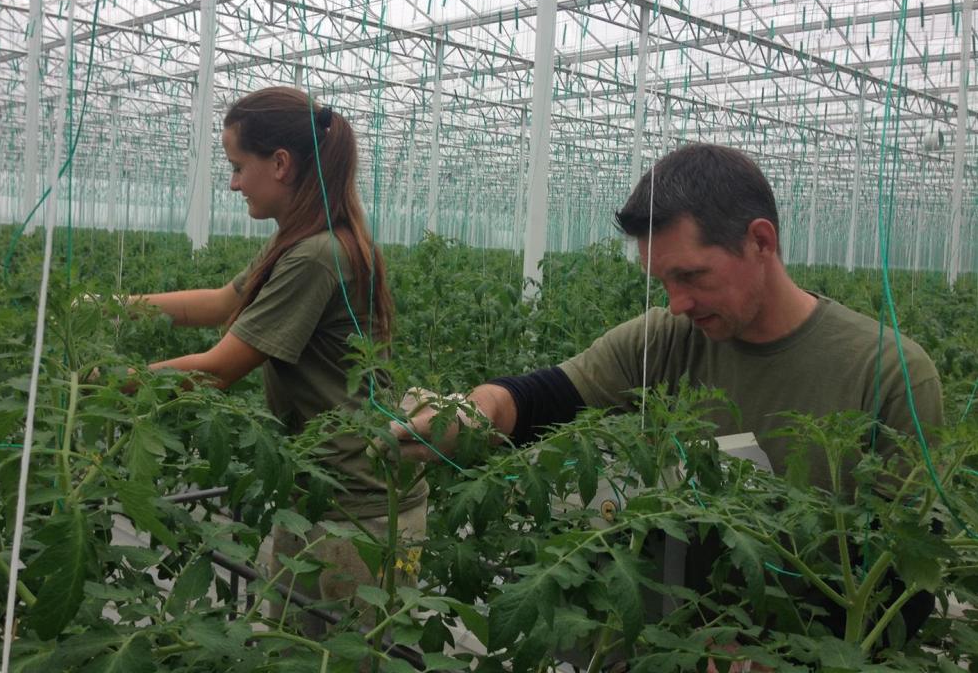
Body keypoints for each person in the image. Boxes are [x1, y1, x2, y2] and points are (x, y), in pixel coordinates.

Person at [391, 142, 942, 642]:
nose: (677, 302)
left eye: (692, 276)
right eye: (664, 282)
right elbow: (544, 396)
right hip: (676, 641)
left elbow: (907, 579)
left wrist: (789, 658)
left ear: (760, 242)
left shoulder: (889, 373)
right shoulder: (665, 339)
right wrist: (471, 412)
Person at [128, 86, 427, 631]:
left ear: (281, 164)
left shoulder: (316, 254)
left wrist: (112, 384)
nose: (234, 182)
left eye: (240, 166)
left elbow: (220, 369)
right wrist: (119, 309)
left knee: (319, 656)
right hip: (327, 490)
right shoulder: (301, 242)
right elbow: (223, 302)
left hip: (348, 509)